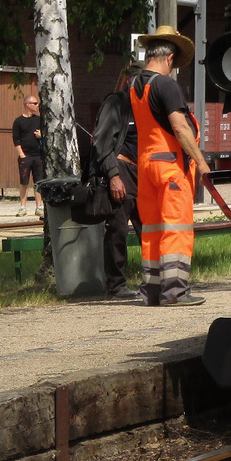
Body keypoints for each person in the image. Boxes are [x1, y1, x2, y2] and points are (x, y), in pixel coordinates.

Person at [130, 26, 209, 306]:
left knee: (152, 229)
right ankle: (175, 291)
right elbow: (180, 128)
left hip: (146, 166)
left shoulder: (135, 85)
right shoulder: (165, 84)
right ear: (170, 58)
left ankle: (152, 291)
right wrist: (201, 162)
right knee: (175, 227)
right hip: (170, 167)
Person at [90, 65, 143, 299]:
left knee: (149, 230)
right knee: (118, 230)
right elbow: (101, 142)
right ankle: (116, 285)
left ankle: (156, 280)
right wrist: (113, 175)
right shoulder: (116, 103)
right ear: (130, 81)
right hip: (122, 169)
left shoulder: (149, 107)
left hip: (146, 173)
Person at [12, 94, 42, 217]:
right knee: (24, 182)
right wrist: (22, 155)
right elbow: (16, 139)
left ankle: (39, 207)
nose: (37, 105)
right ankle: (23, 207)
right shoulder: (19, 121)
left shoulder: (39, 120)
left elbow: (46, 135)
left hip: (38, 156)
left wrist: (41, 135)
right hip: (25, 156)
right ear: (28, 105)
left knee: (38, 182)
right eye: (35, 103)